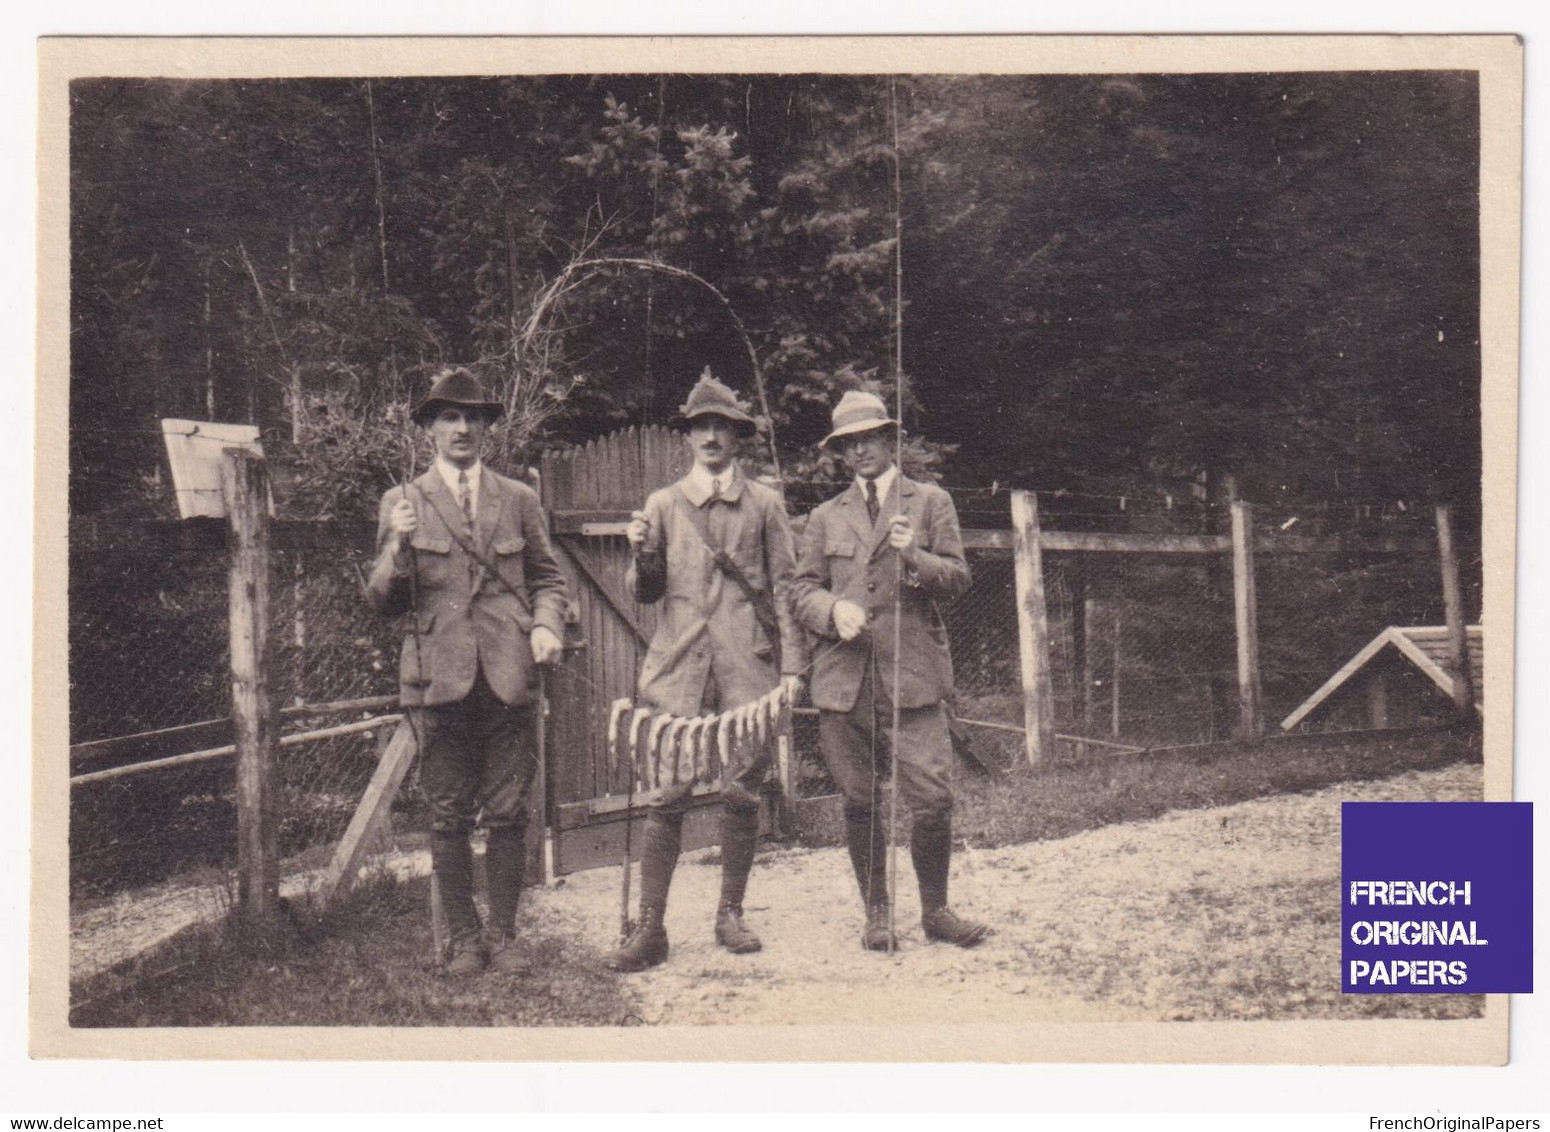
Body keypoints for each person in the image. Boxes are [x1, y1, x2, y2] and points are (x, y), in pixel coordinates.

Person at [366, 367, 570, 976]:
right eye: (449, 417)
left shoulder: (520, 499)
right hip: (438, 678)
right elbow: (382, 603)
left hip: (510, 673)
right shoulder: (401, 502)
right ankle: (461, 939)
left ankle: (504, 937)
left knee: (509, 812)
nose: (462, 427)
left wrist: (546, 626)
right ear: (429, 428)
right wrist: (397, 552)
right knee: (448, 815)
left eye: (472, 417)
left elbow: (548, 581)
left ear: (486, 428)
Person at [606, 369, 805, 972]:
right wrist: (640, 549)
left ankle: (731, 914)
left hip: (748, 666)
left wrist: (793, 669)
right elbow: (645, 593)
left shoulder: (766, 504)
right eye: (701, 427)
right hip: (679, 668)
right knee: (667, 795)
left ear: (737, 436)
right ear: (688, 437)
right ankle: (651, 928)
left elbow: (786, 588)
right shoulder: (663, 505)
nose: (711, 437)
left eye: (721, 426)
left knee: (743, 791)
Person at [790, 390, 990, 951]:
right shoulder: (826, 516)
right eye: (848, 445)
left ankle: (936, 911)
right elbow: (800, 590)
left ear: (890, 439)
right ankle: (877, 914)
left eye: (869, 439)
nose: (860, 453)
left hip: (912, 678)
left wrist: (915, 559)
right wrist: (833, 611)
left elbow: (957, 580)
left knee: (932, 798)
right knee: (859, 801)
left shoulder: (929, 502)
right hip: (845, 683)